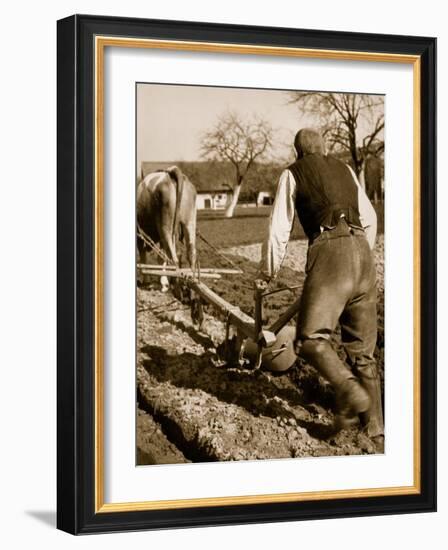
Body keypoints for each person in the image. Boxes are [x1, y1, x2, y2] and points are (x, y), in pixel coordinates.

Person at [256, 128, 384, 450]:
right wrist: (360, 254)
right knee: (363, 354)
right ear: (324, 149)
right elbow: (370, 217)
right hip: (365, 258)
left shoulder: (293, 172)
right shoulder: (346, 170)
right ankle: (376, 431)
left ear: (297, 152)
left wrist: (268, 273)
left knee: (310, 340)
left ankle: (350, 391)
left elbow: (279, 228)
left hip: (330, 252)